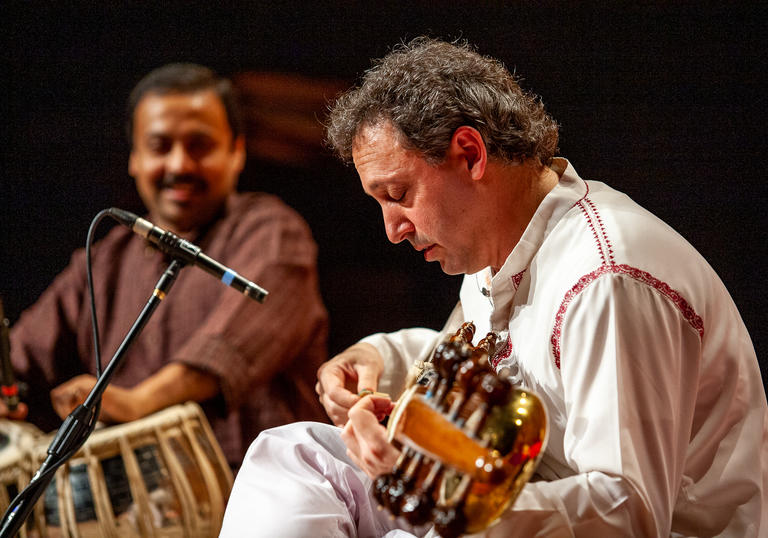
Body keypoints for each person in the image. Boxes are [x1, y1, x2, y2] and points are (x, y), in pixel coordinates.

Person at [220, 38, 768, 536]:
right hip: (515, 501)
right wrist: (373, 362)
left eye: (398, 194)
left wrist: (454, 506)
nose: (392, 230)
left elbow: (627, 510)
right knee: (293, 456)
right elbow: (480, 355)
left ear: (471, 154)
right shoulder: (502, 245)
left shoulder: (607, 279)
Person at [1, 63, 329, 469]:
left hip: (265, 503)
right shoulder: (108, 256)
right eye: (159, 146)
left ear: (236, 152)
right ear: (134, 159)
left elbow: (229, 347)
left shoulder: (273, 231)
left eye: (199, 145)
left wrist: (138, 403)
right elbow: (21, 354)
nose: (179, 165)